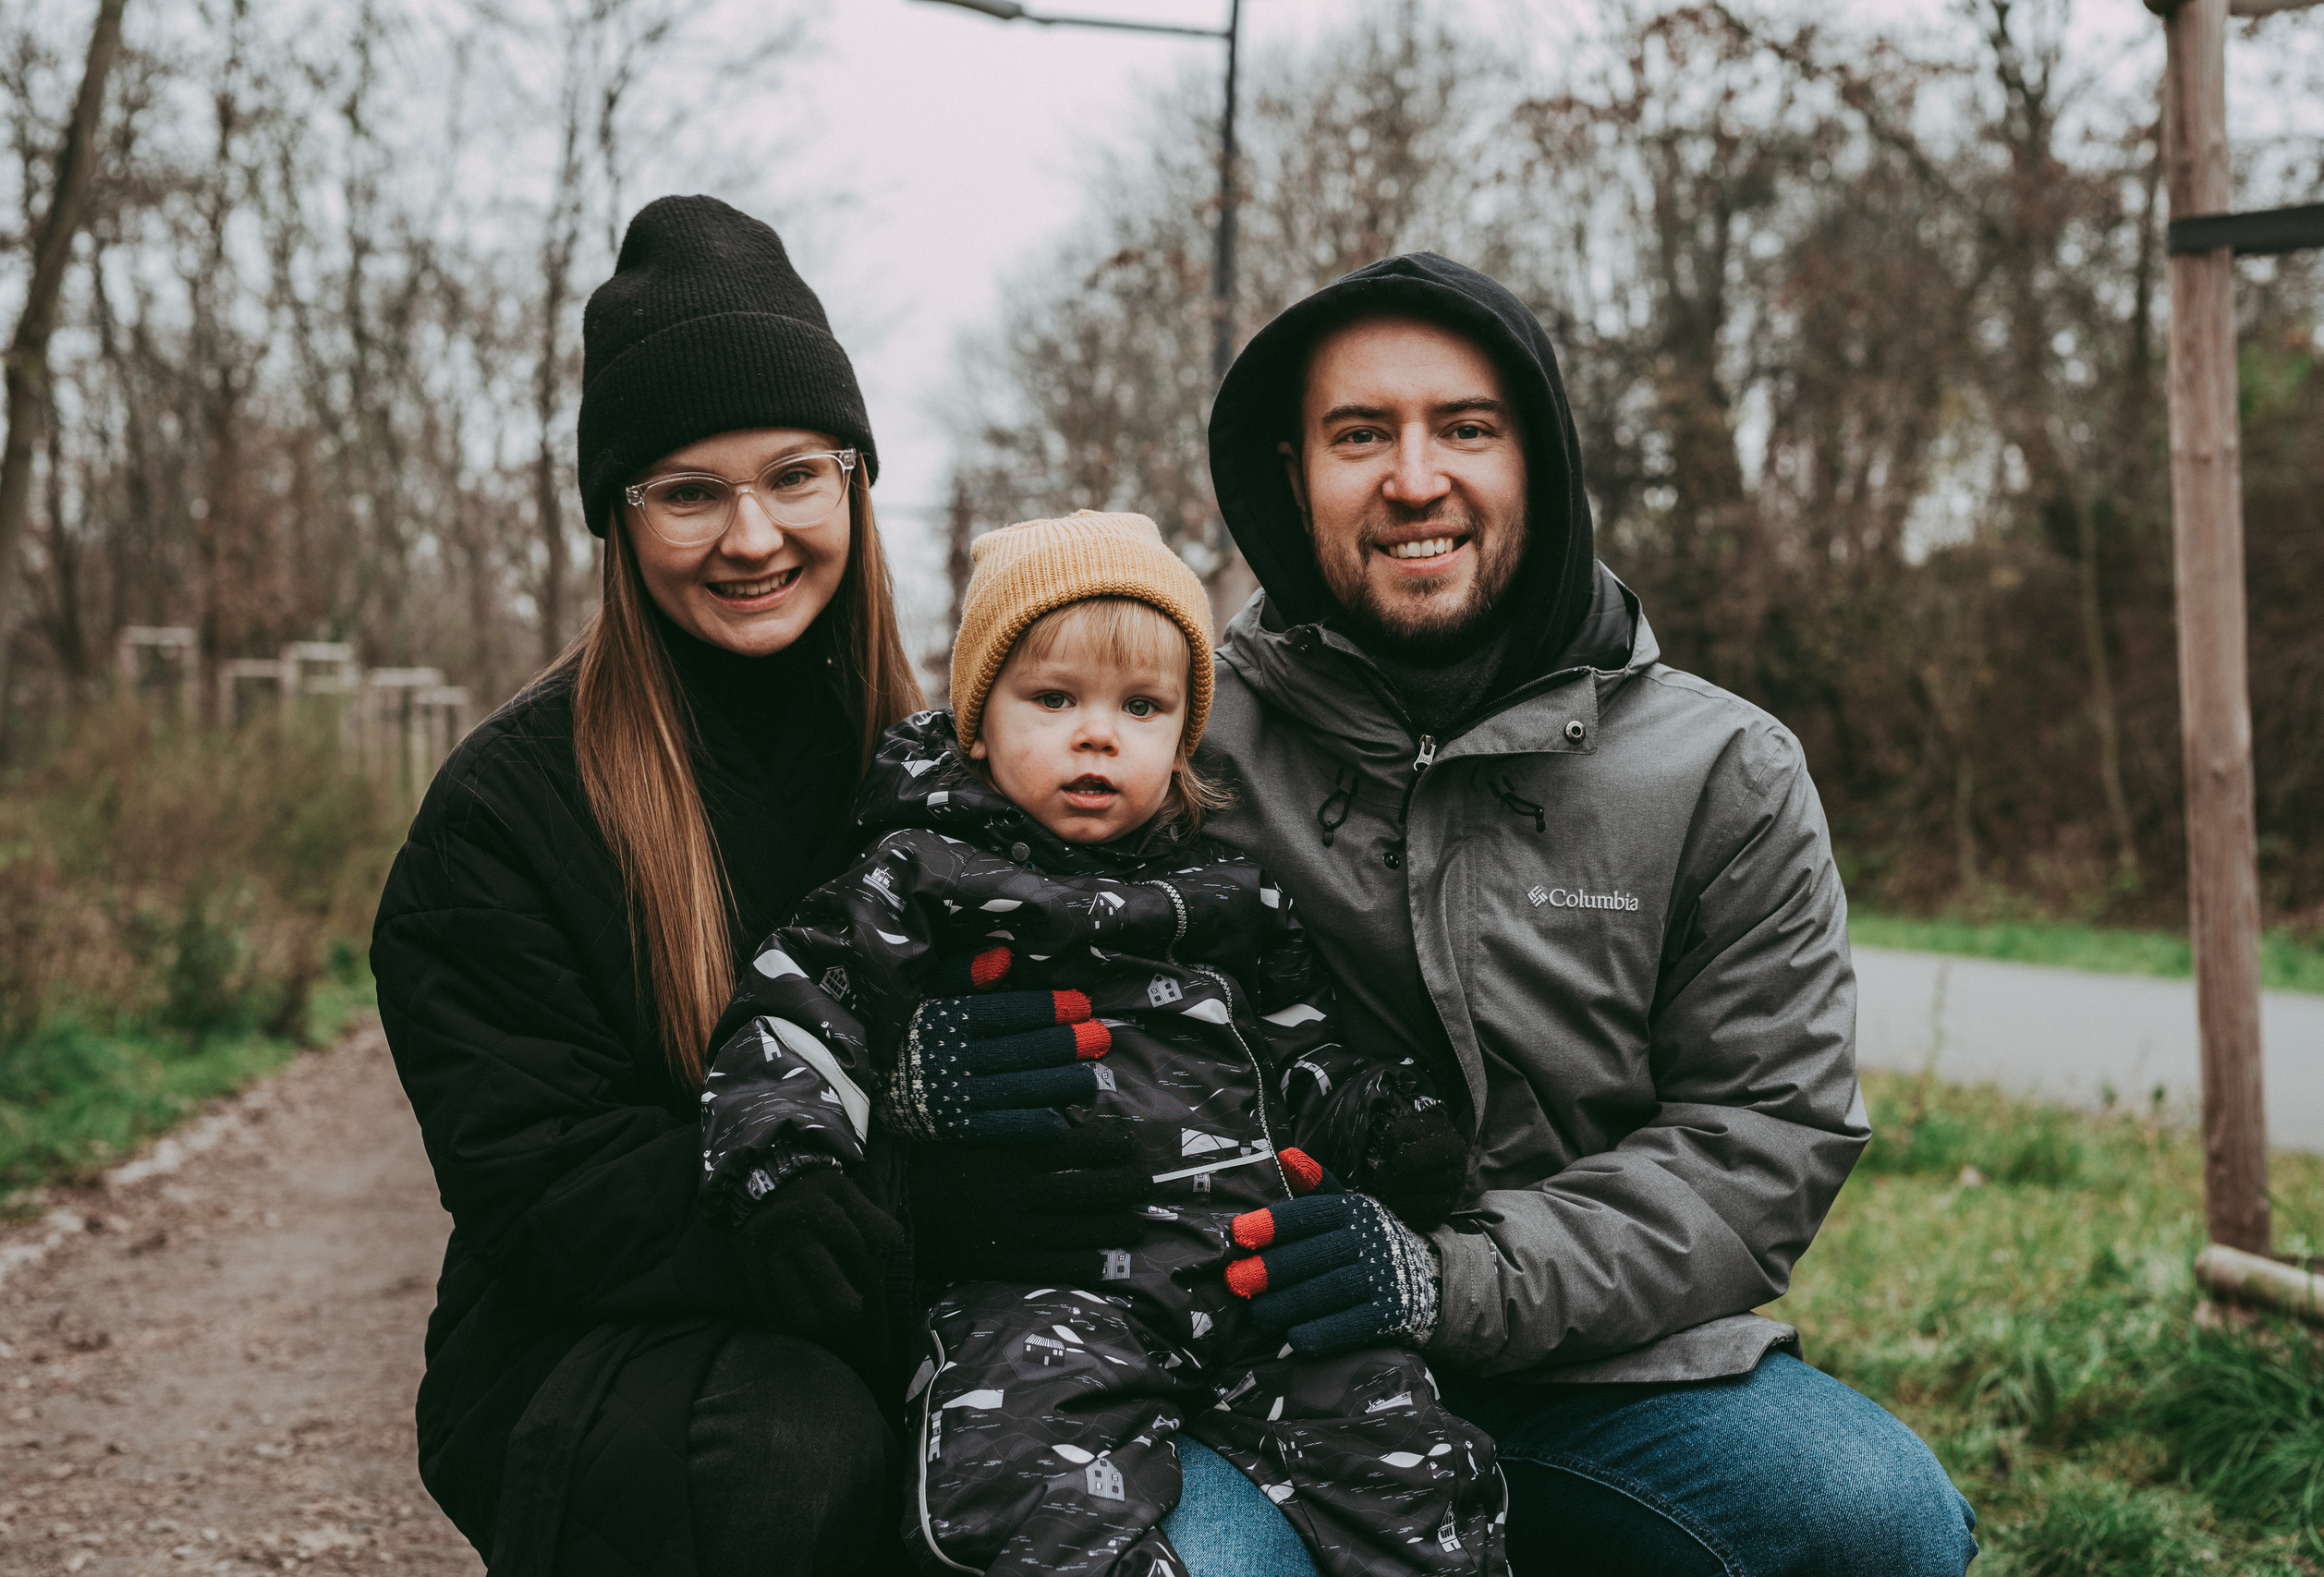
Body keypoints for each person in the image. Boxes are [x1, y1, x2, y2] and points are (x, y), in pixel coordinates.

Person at [913, 254, 1980, 1576]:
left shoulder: (1721, 772)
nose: (1415, 478)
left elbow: (1763, 1131)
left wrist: (1445, 1276)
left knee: (1874, 1517)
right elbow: (933, 888)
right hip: (1237, 1360)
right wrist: (923, 1096)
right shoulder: (1170, 731)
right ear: (1289, 477)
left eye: (1465, 428)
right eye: (1360, 435)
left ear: (1540, 461)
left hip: (1585, 1362)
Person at [696, 512, 1506, 1577]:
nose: (1097, 735)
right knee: (1015, 1485)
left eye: (1141, 707)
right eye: (1054, 698)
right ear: (979, 721)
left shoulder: (1231, 895)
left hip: (1256, 1268)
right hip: (1047, 1282)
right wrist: (785, 1166)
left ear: (1182, 735)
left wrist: (1383, 1118)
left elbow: (1302, 1055)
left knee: (1415, 1469)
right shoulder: (919, 876)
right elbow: (797, 1023)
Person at [372, 195, 923, 1577]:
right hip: (600, 1341)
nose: (753, 533)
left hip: (905, 1288)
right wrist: (852, 1215)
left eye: (795, 473)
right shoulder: (504, 812)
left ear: (853, 477)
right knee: (791, 1444)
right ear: (618, 518)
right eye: (689, 490)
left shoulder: (946, 767)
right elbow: (547, 1176)